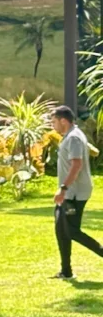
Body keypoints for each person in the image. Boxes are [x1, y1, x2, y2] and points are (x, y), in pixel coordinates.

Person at [51, 106, 103, 279]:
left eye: (54, 122)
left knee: (71, 231)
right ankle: (66, 271)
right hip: (69, 192)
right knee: (60, 229)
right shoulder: (70, 135)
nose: (53, 126)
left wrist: (63, 188)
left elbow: (76, 165)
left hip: (74, 192)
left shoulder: (73, 138)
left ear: (63, 121)